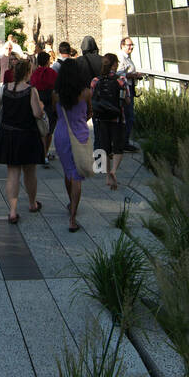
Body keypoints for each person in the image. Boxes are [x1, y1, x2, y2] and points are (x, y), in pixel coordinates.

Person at [0, 57, 47, 223]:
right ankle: (32, 203)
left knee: (12, 173)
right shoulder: (31, 91)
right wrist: (41, 107)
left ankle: (13, 210)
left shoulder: (3, 89)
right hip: (28, 135)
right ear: (28, 73)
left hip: (8, 135)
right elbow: (37, 113)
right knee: (30, 172)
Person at [53, 58, 92, 232]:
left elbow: (57, 113)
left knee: (68, 172)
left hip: (62, 133)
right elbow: (89, 113)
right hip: (80, 134)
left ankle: (71, 202)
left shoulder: (57, 94)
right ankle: (73, 216)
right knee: (77, 176)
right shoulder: (85, 92)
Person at [90, 53, 130, 190]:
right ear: (114, 64)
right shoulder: (121, 80)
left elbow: (92, 98)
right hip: (118, 118)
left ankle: (107, 176)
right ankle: (114, 171)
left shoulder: (95, 80)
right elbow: (127, 100)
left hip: (101, 118)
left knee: (105, 147)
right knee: (118, 147)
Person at [29, 50, 59, 164]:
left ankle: (41, 152)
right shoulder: (52, 72)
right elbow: (56, 89)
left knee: (40, 129)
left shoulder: (34, 73)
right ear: (48, 61)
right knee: (49, 130)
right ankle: (45, 152)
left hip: (38, 102)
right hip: (50, 103)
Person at [118, 37, 140, 152]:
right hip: (125, 89)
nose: (131, 47)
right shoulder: (121, 58)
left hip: (129, 87)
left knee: (128, 115)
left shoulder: (127, 58)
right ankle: (124, 142)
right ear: (122, 45)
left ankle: (124, 141)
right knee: (128, 115)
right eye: (128, 45)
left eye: (132, 45)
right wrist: (132, 75)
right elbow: (119, 74)